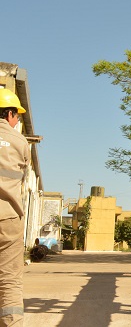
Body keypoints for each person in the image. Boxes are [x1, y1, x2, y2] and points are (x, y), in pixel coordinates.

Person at [0, 88, 31, 327]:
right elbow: (23, 181)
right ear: (9, 113)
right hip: (8, 218)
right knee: (9, 280)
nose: (17, 120)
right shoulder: (21, 142)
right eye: (17, 116)